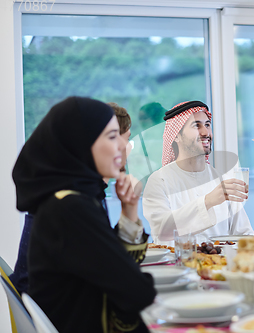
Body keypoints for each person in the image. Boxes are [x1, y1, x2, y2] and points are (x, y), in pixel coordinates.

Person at [12, 97, 156, 333]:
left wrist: (129, 207)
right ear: (81, 143)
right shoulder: (70, 208)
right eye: (112, 137)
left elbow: (122, 269)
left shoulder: (74, 196)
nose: (123, 147)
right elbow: (138, 291)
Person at [8, 101, 134, 295]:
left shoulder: (80, 192)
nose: (126, 147)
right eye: (116, 137)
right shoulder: (71, 203)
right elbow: (123, 276)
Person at [143, 101, 254, 244]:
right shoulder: (159, 180)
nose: (205, 132)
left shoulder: (223, 180)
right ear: (176, 136)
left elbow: (244, 234)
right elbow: (162, 231)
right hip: (178, 265)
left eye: (207, 125)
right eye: (197, 126)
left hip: (221, 265)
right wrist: (208, 201)